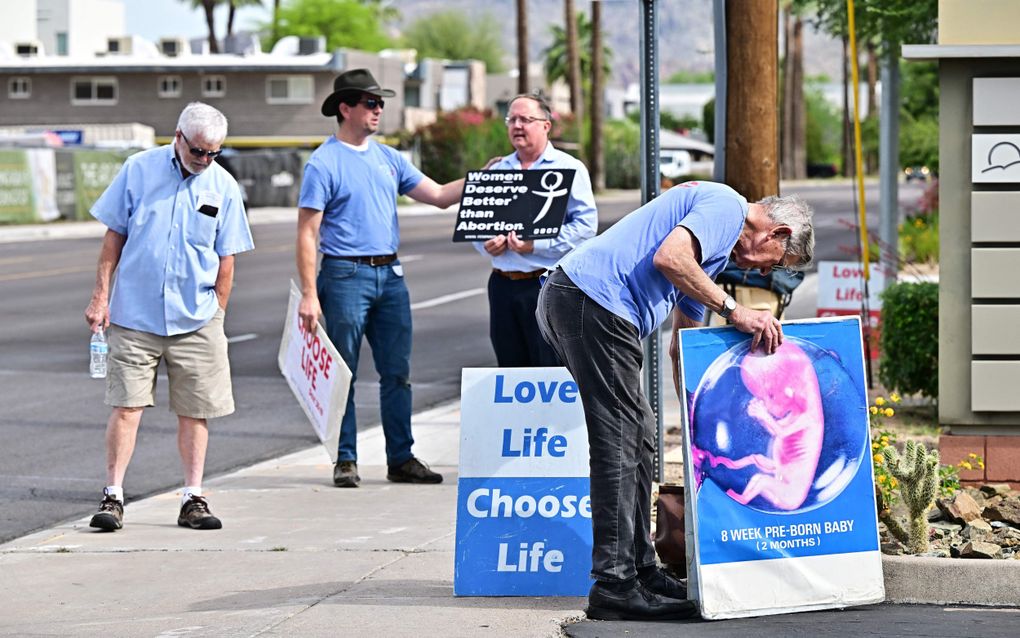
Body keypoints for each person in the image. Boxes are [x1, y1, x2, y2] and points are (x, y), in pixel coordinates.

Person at [536, 181, 814, 621]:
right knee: (621, 439)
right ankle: (613, 583)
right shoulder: (726, 207)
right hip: (592, 301)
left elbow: (681, 339)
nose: (763, 274)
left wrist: (703, 399)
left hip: (590, 304)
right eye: (774, 265)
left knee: (640, 437)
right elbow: (671, 258)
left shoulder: (717, 249)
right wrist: (735, 310)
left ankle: (642, 570)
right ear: (776, 233)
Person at [297, 68, 471, 488]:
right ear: (345, 108)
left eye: (380, 104)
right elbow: (307, 231)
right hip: (344, 274)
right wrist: (308, 293)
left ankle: (401, 457)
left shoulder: (388, 158)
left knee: (398, 371)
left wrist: (486, 177)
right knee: (345, 373)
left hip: (390, 274)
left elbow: (440, 196)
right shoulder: (323, 163)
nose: (378, 110)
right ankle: (345, 458)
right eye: (370, 103)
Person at [84, 102, 254, 532]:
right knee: (126, 407)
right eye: (198, 150)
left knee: (196, 412)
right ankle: (113, 496)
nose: (205, 160)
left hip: (196, 318)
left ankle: (193, 497)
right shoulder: (138, 169)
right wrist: (101, 298)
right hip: (135, 315)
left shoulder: (224, 186)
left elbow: (227, 257)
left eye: (214, 152)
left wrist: (217, 311)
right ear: (178, 137)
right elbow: (113, 240)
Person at [473, 93, 597, 366]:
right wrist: (486, 243)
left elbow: (586, 227)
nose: (517, 125)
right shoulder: (496, 170)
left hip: (546, 285)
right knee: (510, 368)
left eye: (526, 119)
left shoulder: (569, 168)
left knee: (549, 368)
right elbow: (478, 224)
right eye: (512, 119)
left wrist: (535, 245)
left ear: (546, 125)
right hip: (502, 286)